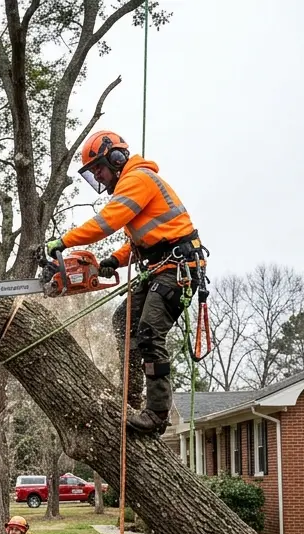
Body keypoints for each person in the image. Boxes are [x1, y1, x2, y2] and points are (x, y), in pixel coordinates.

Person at [45, 129, 208, 436]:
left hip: (178, 268)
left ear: (116, 158)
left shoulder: (138, 180)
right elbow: (141, 240)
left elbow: (107, 222)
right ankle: (130, 395)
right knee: (124, 319)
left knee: (148, 331)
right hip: (161, 264)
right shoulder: (131, 185)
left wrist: (64, 241)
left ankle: (158, 414)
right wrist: (114, 261)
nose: (100, 177)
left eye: (100, 169)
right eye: (94, 173)